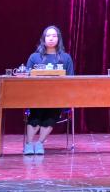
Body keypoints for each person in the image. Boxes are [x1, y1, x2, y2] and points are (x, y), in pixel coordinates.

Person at [23, 25, 74, 155]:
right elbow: (26, 78)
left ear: (58, 39)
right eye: (48, 36)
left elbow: (71, 79)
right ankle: (29, 144)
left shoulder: (66, 58)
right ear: (43, 39)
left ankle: (39, 143)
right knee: (35, 115)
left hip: (57, 97)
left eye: (54, 36)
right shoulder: (34, 57)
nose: (51, 38)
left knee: (51, 115)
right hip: (36, 96)